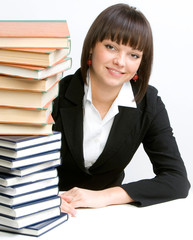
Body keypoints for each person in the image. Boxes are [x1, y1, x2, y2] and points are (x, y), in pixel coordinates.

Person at [52, 3, 190, 216]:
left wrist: (104, 196)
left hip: (111, 216)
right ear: (91, 46)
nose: (120, 62)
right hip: (48, 212)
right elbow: (15, 167)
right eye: (111, 47)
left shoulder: (148, 103)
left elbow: (177, 180)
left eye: (133, 55)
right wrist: (43, 199)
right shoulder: (53, 94)